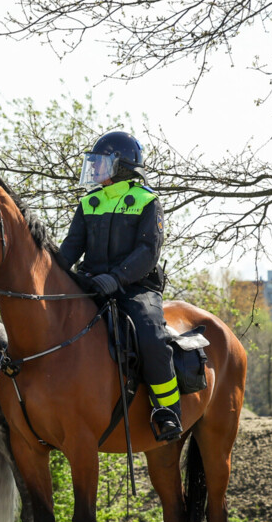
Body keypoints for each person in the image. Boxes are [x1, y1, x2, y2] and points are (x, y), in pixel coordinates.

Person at [59, 131, 181, 441]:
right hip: (91, 285)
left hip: (136, 288)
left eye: (100, 163)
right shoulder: (89, 202)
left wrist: (116, 278)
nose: (94, 169)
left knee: (152, 335)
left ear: (121, 166)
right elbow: (70, 249)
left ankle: (166, 410)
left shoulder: (147, 201)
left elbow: (147, 252)